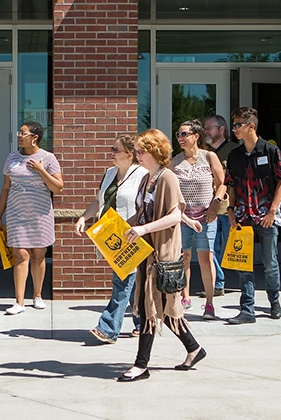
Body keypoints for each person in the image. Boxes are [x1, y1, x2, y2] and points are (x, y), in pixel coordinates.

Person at [118, 129, 206, 382]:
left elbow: (173, 213)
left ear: (155, 151)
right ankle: (194, 348)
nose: (137, 155)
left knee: (150, 305)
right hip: (147, 252)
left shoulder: (167, 177)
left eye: (141, 150)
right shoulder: (148, 178)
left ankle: (141, 365)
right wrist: (123, 227)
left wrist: (144, 229)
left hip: (162, 254)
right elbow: (149, 211)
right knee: (165, 308)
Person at [75, 134, 149, 343]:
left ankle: (108, 328)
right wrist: (83, 217)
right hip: (110, 237)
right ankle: (142, 322)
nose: (112, 153)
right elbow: (98, 201)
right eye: (112, 149)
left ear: (130, 154)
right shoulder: (109, 173)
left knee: (122, 281)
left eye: (116, 150)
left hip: (131, 236)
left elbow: (146, 206)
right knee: (132, 281)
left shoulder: (142, 174)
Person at [224, 107, 281, 324]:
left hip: (266, 215)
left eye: (238, 125)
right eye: (233, 125)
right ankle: (247, 309)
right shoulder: (235, 155)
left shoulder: (270, 151)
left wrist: (272, 210)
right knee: (244, 265)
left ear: (251, 126)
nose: (234, 129)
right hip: (243, 216)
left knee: (270, 263)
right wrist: (231, 210)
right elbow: (231, 184)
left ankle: (274, 301)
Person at [0, 121, 63, 315]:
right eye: (19, 132)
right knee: (20, 255)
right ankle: (19, 302)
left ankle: (37, 295)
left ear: (35, 138)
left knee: (38, 256)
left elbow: (58, 187)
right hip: (16, 214)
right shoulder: (12, 158)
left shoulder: (48, 158)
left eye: (23, 133)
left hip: (40, 215)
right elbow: (6, 188)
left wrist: (41, 170)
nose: (19, 135)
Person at [171, 119, 227, 320]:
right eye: (178, 134)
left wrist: (215, 203)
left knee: (206, 258)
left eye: (184, 134)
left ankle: (209, 304)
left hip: (206, 216)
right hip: (183, 217)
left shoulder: (209, 156)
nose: (180, 138)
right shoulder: (175, 161)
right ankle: (184, 297)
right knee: (183, 257)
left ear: (196, 136)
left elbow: (222, 184)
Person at [203, 114, 240, 297]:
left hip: (228, 208)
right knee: (211, 248)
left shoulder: (234, 151)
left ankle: (244, 282)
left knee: (233, 248)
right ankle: (218, 284)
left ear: (222, 129)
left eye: (209, 127)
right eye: (205, 128)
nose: (206, 131)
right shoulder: (204, 153)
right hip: (209, 208)